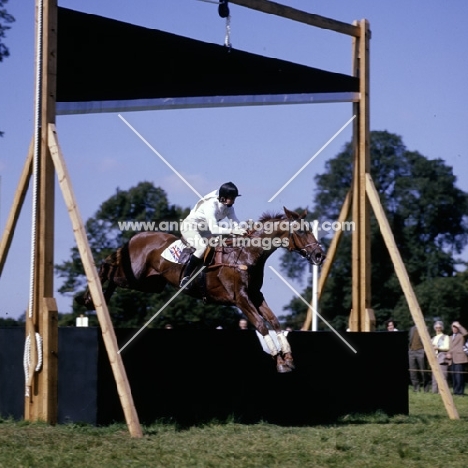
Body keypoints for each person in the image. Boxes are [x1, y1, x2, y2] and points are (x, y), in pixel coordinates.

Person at [179, 182, 247, 287]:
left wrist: (245, 231)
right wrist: (232, 231)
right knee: (202, 247)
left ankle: (206, 275)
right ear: (223, 197)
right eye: (231, 198)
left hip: (205, 230)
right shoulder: (211, 205)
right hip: (190, 227)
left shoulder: (229, 208)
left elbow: (235, 223)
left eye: (234, 198)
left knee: (219, 245)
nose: (234, 201)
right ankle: (185, 277)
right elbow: (214, 229)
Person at [447, 321, 468, 396]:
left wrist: (459, 326)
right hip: (451, 359)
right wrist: (448, 354)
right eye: (453, 326)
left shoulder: (461, 335)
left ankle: (460, 392)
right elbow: (449, 348)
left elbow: (465, 333)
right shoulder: (449, 337)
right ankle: (455, 391)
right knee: (453, 376)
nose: (454, 328)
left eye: (456, 327)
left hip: (459, 358)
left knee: (459, 376)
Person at [408, 324, 429, 392]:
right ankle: (416, 387)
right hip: (412, 351)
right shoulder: (412, 328)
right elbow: (410, 339)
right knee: (412, 371)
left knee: (423, 370)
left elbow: (427, 339)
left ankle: (425, 387)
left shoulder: (425, 327)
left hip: (420, 350)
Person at [431, 320, 449, 393]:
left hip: (442, 358)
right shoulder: (433, 338)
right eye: (436, 327)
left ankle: (442, 392)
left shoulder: (445, 337)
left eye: (439, 327)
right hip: (434, 358)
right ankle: (434, 392)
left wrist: (438, 348)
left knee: (442, 376)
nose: (438, 329)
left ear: (442, 328)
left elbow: (447, 347)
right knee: (434, 376)